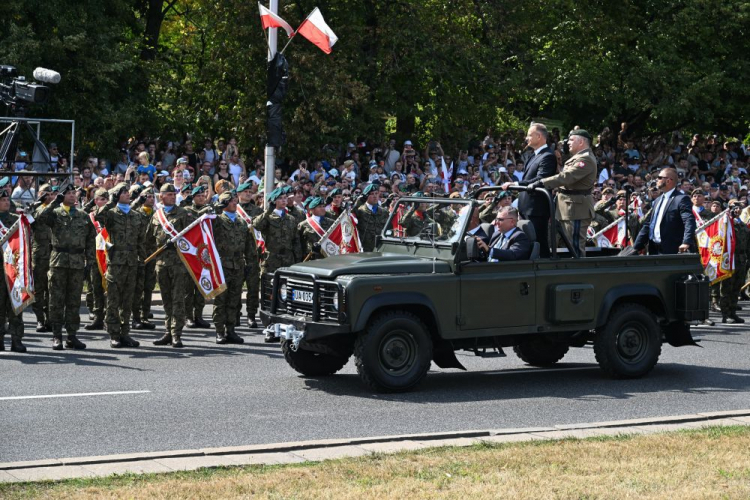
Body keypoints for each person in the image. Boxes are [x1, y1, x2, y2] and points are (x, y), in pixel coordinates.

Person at [36, 184, 96, 350]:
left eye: (73, 193)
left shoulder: (83, 216)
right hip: (58, 261)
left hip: (77, 261)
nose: (71, 196)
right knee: (56, 300)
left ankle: (72, 335)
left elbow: (91, 239)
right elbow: (39, 217)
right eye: (68, 194)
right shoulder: (55, 213)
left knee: (74, 301)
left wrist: (89, 261)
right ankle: (56, 335)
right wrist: (55, 201)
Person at [531, 129, 597, 256]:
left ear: (581, 142)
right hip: (568, 207)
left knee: (575, 247)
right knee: (565, 244)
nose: (568, 143)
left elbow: (567, 177)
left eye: (572, 140)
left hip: (576, 209)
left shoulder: (586, 159)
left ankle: (577, 273)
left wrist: (542, 182)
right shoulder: (578, 157)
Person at [95, 183, 146, 348]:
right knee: (113, 299)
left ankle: (125, 333)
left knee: (128, 300)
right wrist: (111, 199)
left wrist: (142, 259)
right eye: (123, 192)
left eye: (127, 192)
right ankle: (114, 334)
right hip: (116, 262)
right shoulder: (110, 213)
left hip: (131, 261)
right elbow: (98, 215)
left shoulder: (136, 215)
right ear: (117, 195)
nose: (127, 194)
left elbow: (140, 240)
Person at [146, 183, 192, 347]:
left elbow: (192, 238)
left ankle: (176, 333)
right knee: (166, 299)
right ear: (162, 196)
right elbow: (149, 239)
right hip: (161, 263)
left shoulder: (184, 214)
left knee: (178, 299)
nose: (172, 196)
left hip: (178, 263)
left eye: (174, 194)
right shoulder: (157, 216)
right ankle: (167, 331)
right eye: (169, 194)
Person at [504, 123, 556, 257]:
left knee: (539, 244)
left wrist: (516, 183)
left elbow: (541, 179)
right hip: (526, 208)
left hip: (536, 210)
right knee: (528, 244)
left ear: (539, 136)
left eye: (529, 135)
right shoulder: (534, 155)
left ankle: (546, 272)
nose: (526, 138)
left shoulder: (548, 156)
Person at [211, 191, 256, 344]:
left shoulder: (242, 222)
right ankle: (219, 331)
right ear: (224, 204)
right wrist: (217, 207)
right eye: (230, 201)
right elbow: (204, 219)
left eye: (235, 200)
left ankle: (230, 330)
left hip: (238, 266)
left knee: (234, 300)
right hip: (222, 265)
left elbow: (250, 246)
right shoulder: (217, 220)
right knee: (221, 300)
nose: (234, 203)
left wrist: (250, 263)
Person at [633, 168, 696, 255]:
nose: (656, 180)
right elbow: (648, 224)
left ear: (668, 181)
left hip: (671, 250)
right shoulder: (657, 200)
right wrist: (635, 248)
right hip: (653, 249)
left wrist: (686, 242)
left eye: (659, 177)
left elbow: (689, 221)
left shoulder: (681, 199)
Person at [182, 185, 213, 329]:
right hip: (190, 253)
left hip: (204, 253)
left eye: (203, 195)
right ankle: (189, 317)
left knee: (202, 286)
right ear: (193, 197)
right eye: (198, 196)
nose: (201, 198)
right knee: (188, 288)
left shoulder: (209, 211)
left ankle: (199, 315)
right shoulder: (187, 211)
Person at [253, 188, 300, 276]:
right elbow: (257, 225)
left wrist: (297, 259)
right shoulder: (267, 216)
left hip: (288, 259)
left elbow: (295, 240)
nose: (283, 200)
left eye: (285, 198)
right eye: (280, 198)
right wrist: (267, 212)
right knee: (270, 287)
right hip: (271, 260)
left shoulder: (291, 218)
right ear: (273, 201)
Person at [0, 191, 25, 352]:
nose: (6, 202)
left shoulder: (16, 221)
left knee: (16, 306)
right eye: (2, 200)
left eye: (7, 199)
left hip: (14, 270)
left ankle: (16, 340)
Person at [131, 185, 158, 331]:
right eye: (148, 196)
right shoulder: (136, 213)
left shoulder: (157, 214)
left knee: (148, 287)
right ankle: (135, 317)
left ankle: (145, 315)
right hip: (139, 255)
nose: (151, 199)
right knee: (137, 287)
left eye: (153, 197)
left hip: (152, 254)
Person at [83, 188, 109, 331]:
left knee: (109, 289)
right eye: (102, 199)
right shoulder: (90, 217)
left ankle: (108, 317)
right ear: (96, 201)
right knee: (95, 288)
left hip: (108, 257)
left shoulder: (111, 215)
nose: (105, 202)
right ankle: (98, 317)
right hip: (94, 257)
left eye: (106, 199)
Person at [719, 200, 748, 324]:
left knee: (737, 286)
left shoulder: (742, 225)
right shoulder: (725, 223)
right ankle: (725, 314)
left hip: (741, 258)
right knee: (727, 287)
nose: (738, 210)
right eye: (735, 207)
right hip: (729, 258)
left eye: (740, 207)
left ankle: (733, 312)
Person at [30, 185, 53, 332]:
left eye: (51, 194)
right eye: (45, 194)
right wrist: (37, 202)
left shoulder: (55, 210)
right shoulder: (34, 209)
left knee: (52, 288)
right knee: (38, 289)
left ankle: (50, 318)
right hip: (39, 254)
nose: (48, 196)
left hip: (53, 254)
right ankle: (40, 319)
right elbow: (30, 220)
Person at [354, 184, 389, 250]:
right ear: (366, 196)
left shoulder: (384, 211)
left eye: (376, 193)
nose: (375, 196)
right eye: (372, 194)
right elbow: (350, 217)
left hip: (380, 248)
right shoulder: (360, 210)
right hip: (364, 248)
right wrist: (357, 203)